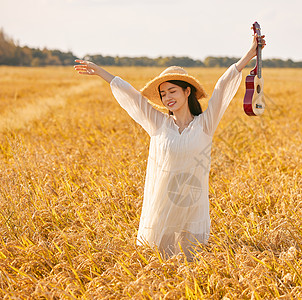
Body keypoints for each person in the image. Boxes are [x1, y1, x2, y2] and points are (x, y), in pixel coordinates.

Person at [74, 32, 266, 260]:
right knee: (160, 266)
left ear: (187, 91)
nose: (167, 98)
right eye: (163, 94)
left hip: (193, 209)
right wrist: (100, 72)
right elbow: (133, 97)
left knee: (192, 265)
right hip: (162, 209)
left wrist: (250, 55)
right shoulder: (158, 124)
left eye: (172, 91)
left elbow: (223, 86)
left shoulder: (205, 123)